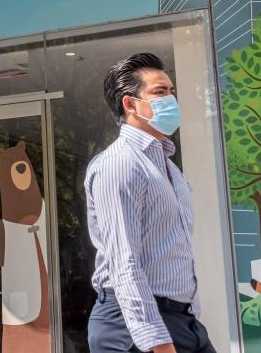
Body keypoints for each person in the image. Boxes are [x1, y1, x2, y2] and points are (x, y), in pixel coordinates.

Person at [85, 53, 214, 353]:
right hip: (132, 327)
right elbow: (124, 262)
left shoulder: (167, 166)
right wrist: (156, 340)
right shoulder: (120, 164)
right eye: (159, 92)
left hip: (182, 321)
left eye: (171, 92)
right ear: (130, 104)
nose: (171, 99)